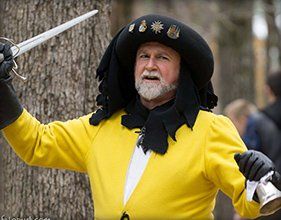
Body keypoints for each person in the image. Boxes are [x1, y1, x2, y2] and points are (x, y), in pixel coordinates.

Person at [0, 14, 281, 219]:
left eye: (163, 57)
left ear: (182, 72)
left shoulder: (210, 129)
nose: (150, 65)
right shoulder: (102, 127)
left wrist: (263, 177)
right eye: (143, 56)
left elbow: (250, 203)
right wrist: (2, 89)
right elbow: (36, 144)